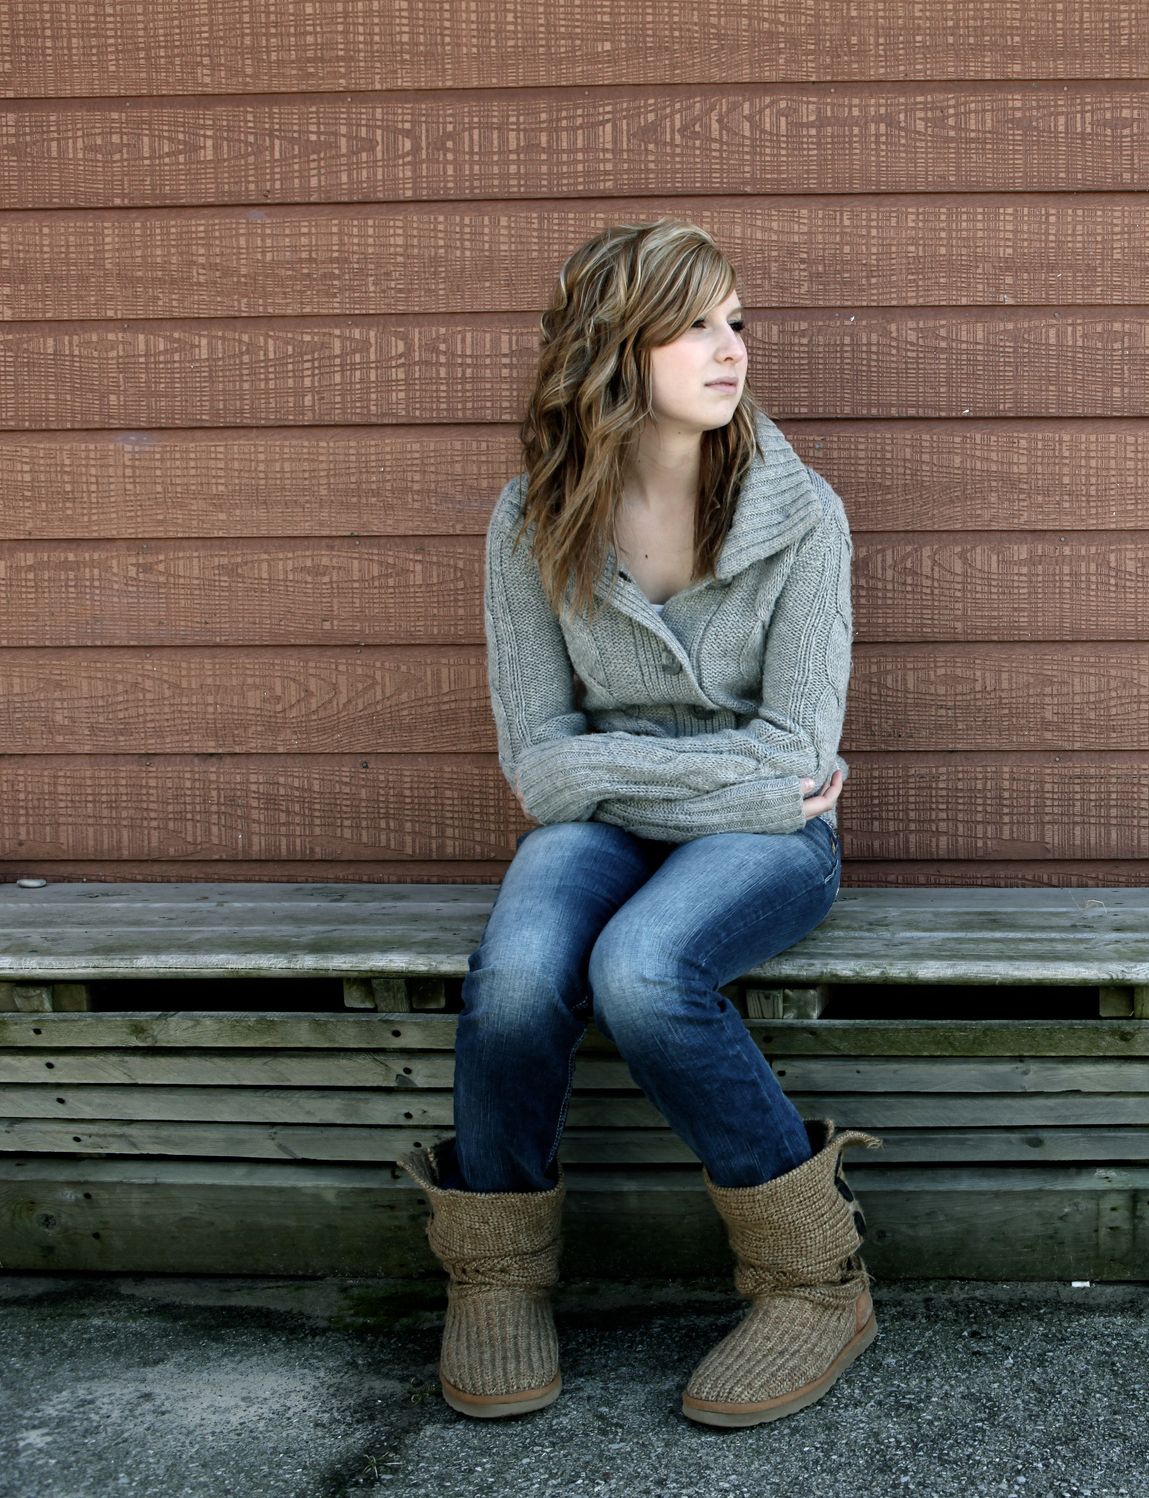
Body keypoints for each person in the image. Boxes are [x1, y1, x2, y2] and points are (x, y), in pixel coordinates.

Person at [395, 219, 876, 1429]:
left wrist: (711, 784)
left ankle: (815, 1283)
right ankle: (496, 1277)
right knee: (516, 973)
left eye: (737, 321)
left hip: (770, 847)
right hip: (648, 819)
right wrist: (734, 779)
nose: (731, 350)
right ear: (618, 347)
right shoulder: (531, 519)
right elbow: (536, 764)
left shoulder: (800, 514)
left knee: (646, 969)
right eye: (696, 324)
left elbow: (797, 762)